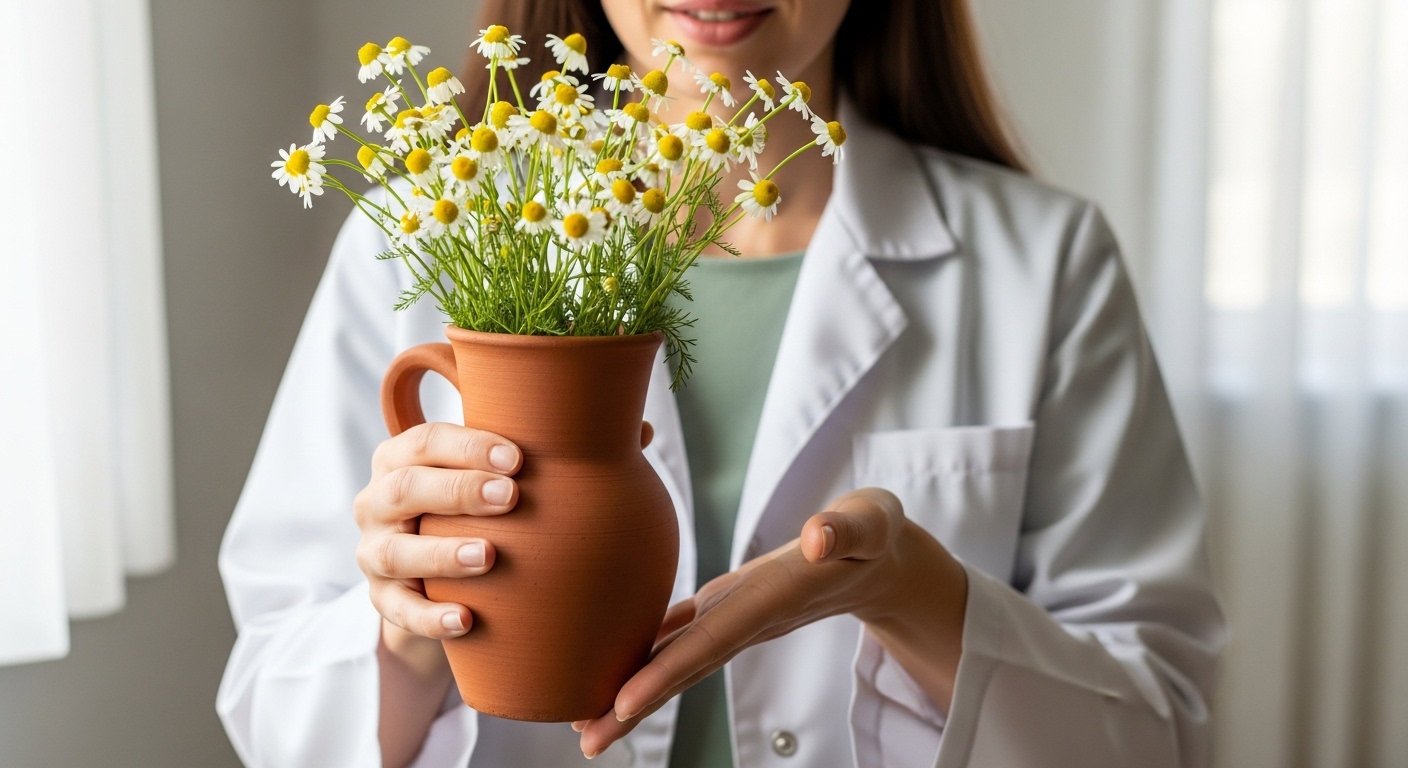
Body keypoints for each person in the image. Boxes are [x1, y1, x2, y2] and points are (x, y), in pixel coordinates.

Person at [217, 0, 1226, 766]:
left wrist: (921, 598)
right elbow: (277, 713)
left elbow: (1150, 727)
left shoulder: (1042, 263)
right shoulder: (418, 239)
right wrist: (404, 632)